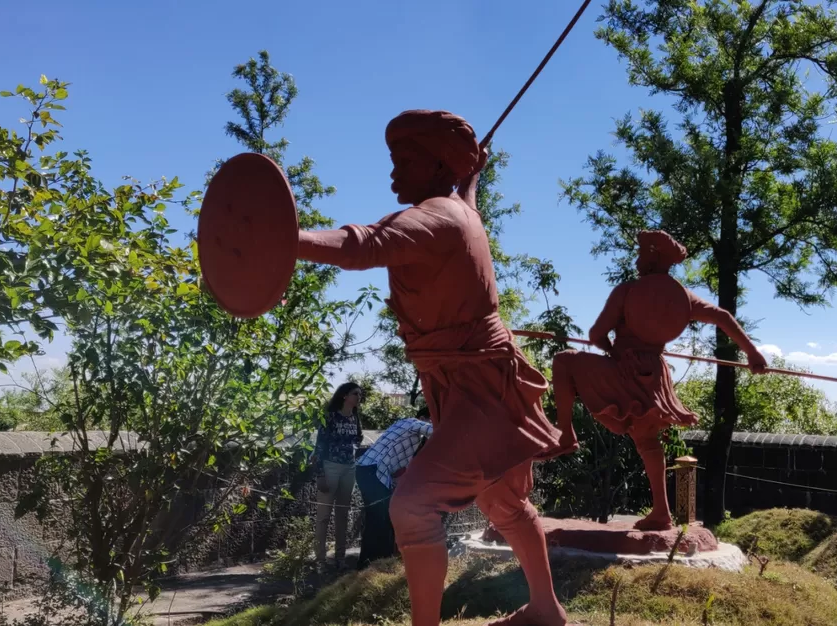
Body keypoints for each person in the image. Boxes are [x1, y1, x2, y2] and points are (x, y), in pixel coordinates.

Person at [295, 109, 569, 626]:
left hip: (479, 395)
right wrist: (473, 177)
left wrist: (290, 241)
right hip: (477, 385)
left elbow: (364, 244)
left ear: (437, 163)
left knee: (413, 507)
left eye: (405, 160)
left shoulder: (436, 218)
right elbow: (465, 201)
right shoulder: (458, 212)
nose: (394, 173)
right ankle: (545, 610)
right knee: (505, 505)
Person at [547, 230, 768, 530]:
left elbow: (596, 335)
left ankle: (565, 433)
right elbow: (723, 317)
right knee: (646, 438)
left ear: (652, 257)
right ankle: (661, 512)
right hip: (653, 376)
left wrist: (614, 352)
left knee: (563, 362)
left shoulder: (627, 291)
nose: (637, 260)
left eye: (641, 254)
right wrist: (752, 354)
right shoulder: (683, 298)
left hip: (624, 370)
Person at [355, 416, 434, 568]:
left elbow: (399, 471)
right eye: (429, 419)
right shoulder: (413, 423)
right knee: (383, 521)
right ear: (423, 418)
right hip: (375, 471)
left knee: (375, 520)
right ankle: (380, 564)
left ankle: (366, 564)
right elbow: (437, 433)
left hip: (365, 469)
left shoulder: (403, 429)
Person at [311, 381, 363, 570]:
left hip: (349, 469)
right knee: (323, 517)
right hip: (330, 467)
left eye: (359, 394)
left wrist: (352, 452)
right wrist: (320, 475)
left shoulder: (355, 418)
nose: (359, 397)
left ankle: (340, 558)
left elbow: (358, 438)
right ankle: (320, 561)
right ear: (344, 396)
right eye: (355, 393)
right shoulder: (331, 417)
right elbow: (319, 447)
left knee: (343, 515)